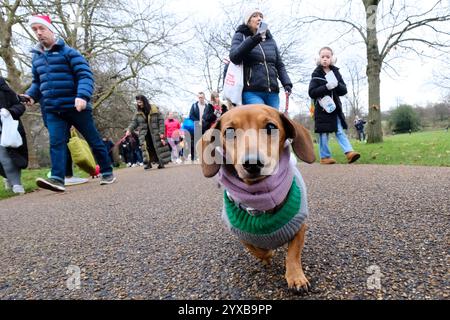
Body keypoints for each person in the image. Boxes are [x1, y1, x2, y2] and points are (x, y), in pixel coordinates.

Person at [21, 15, 115, 192]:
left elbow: (85, 76)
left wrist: (82, 96)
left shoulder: (70, 53)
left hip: (76, 106)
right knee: (56, 142)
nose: (39, 33)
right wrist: (31, 96)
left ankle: (107, 171)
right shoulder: (37, 58)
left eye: (42, 28)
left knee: (93, 140)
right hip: (53, 109)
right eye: (35, 30)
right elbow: (37, 83)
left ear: (51, 29)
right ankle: (57, 179)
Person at [229, 8, 292, 109]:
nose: (259, 19)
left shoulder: (271, 41)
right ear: (248, 21)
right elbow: (234, 57)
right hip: (251, 91)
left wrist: (287, 83)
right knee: (261, 118)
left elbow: (279, 65)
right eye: (255, 16)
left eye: (261, 16)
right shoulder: (240, 36)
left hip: (273, 92)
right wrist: (254, 40)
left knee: (273, 123)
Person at [308, 46, 360, 164]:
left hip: (335, 108)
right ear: (319, 59)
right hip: (322, 109)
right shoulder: (316, 74)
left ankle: (349, 152)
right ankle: (325, 157)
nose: (325, 59)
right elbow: (312, 92)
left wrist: (336, 85)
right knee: (324, 133)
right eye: (323, 57)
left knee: (339, 130)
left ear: (332, 58)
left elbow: (344, 90)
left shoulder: (336, 72)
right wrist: (325, 87)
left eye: (328, 57)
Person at [126, 95, 170, 170]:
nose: (139, 104)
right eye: (137, 102)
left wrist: (161, 132)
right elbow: (134, 122)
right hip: (144, 134)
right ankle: (148, 163)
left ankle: (161, 162)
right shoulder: (138, 112)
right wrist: (129, 130)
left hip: (155, 132)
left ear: (144, 101)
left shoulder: (154, 109)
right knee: (146, 148)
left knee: (157, 147)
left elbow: (161, 121)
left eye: (140, 102)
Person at [0, 77, 28, 195]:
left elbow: (20, 106)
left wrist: (10, 112)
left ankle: (16, 184)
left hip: (8, 130)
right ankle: (8, 177)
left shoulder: (4, 89)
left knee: (8, 157)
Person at [188, 92, 207, 162]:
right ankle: (194, 157)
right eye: (199, 97)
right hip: (197, 126)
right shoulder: (194, 106)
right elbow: (191, 115)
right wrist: (198, 121)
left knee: (204, 141)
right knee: (196, 142)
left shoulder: (207, 106)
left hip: (204, 126)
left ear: (204, 97)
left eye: (201, 97)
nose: (200, 99)